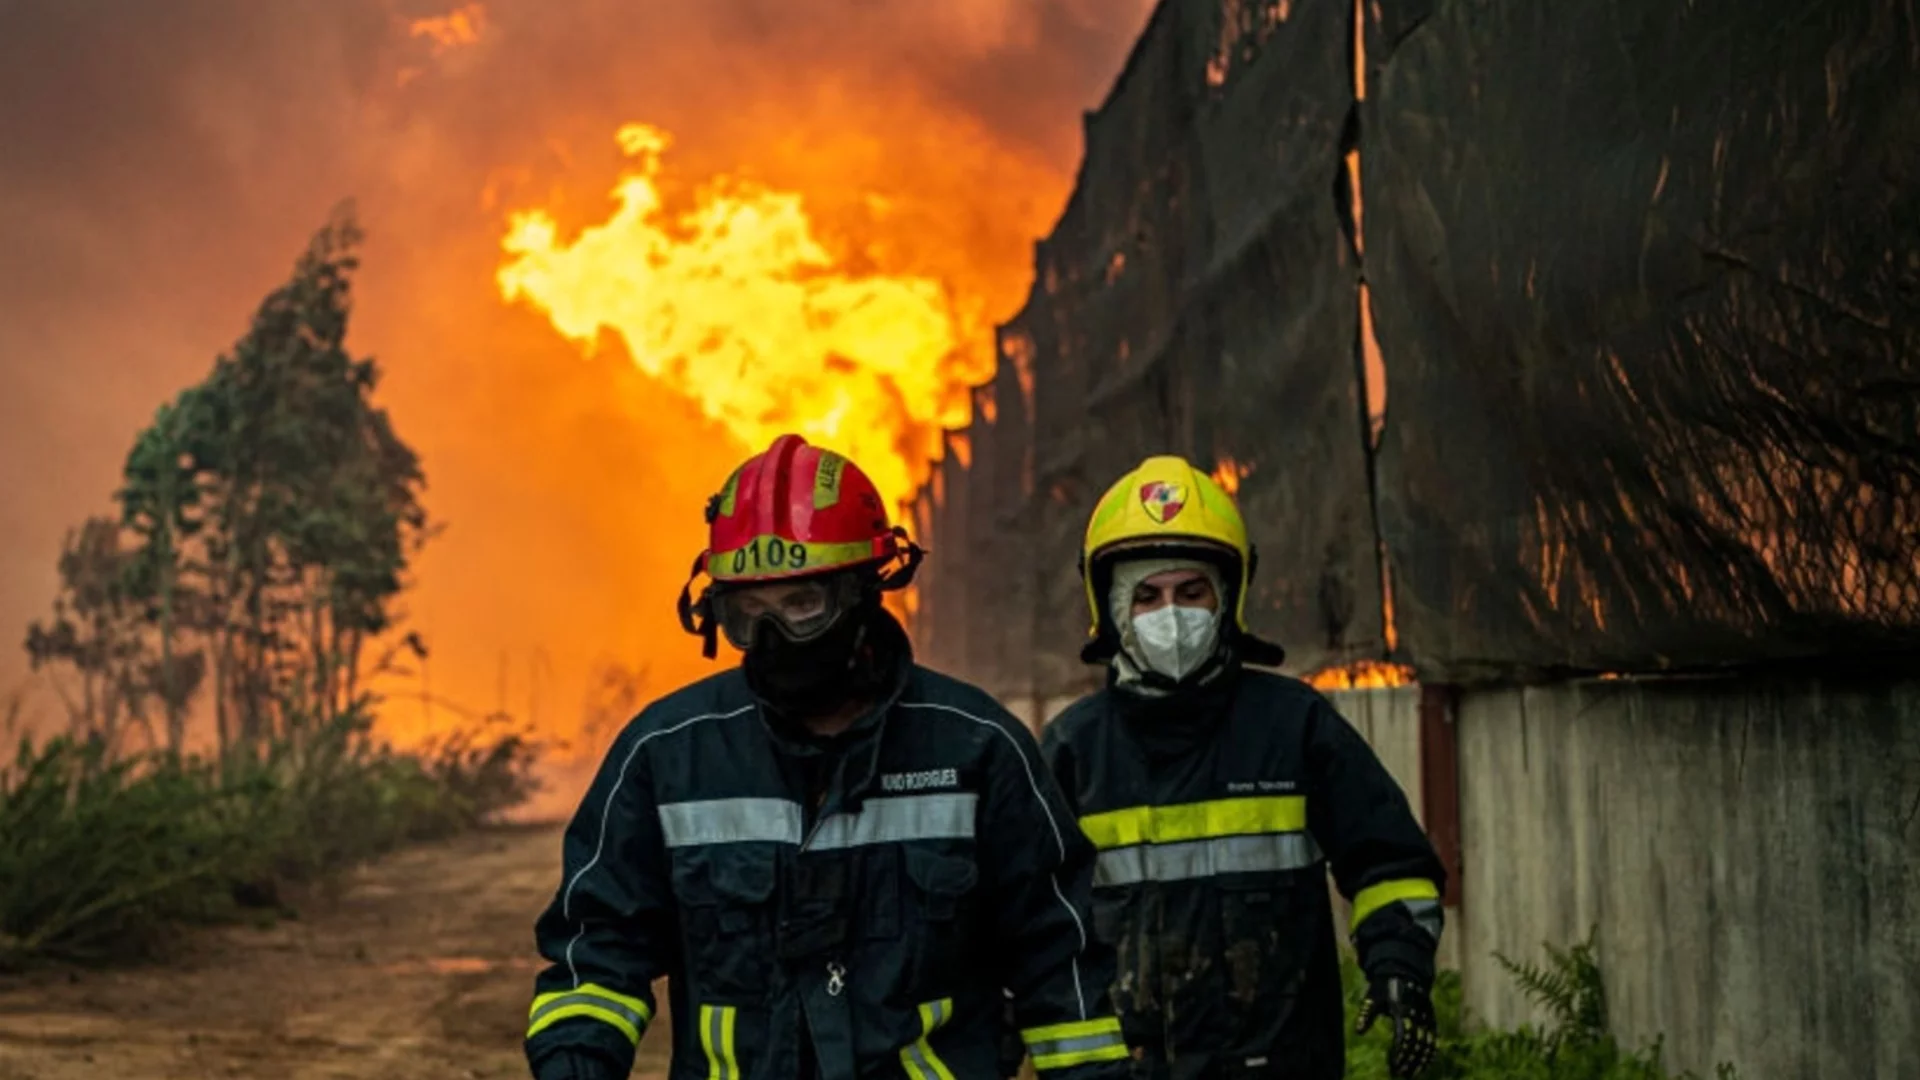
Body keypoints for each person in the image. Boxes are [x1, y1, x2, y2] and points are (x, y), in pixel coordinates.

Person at [524, 433, 1133, 1080]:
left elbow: (1057, 962)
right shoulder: (668, 755)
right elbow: (595, 954)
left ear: (865, 593)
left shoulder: (977, 748)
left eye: (802, 605)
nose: (774, 637)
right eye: (748, 613)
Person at [1039, 454, 1448, 1080]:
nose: (1171, 615)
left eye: (1191, 592)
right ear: (1114, 610)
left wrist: (1399, 965)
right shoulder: (1072, 750)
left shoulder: (1294, 726)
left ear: (1229, 596)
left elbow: (1389, 863)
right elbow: (1028, 922)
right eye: (1147, 596)